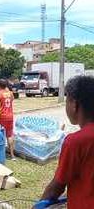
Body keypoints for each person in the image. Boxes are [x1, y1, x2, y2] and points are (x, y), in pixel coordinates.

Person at [40, 76, 94, 209]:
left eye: (66, 101)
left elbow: (57, 186)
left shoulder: (76, 141)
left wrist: (38, 205)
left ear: (74, 104)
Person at [0, 79, 15, 160]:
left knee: (0, 135)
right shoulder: (10, 93)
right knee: (10, 135)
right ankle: (12, 156)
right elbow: (12, 100)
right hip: (10, 116)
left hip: (1, 117)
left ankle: (1, 153)